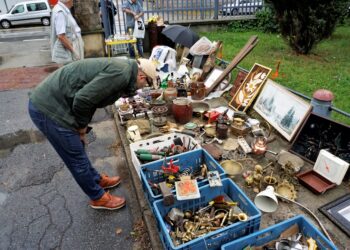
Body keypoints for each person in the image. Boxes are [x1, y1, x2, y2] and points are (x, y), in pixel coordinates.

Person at [28, 58, 157, 210]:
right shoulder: (121, 74)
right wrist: (82, 128)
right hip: (49, 108)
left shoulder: (124, 70)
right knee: (76, 157)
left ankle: (95, 179)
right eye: (147, 84)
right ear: (142, 77)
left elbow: (92, 100)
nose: (143, 87)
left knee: (78, 151)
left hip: (58, 102)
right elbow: (83, 100)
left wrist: (82, 128)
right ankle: (98, 197)